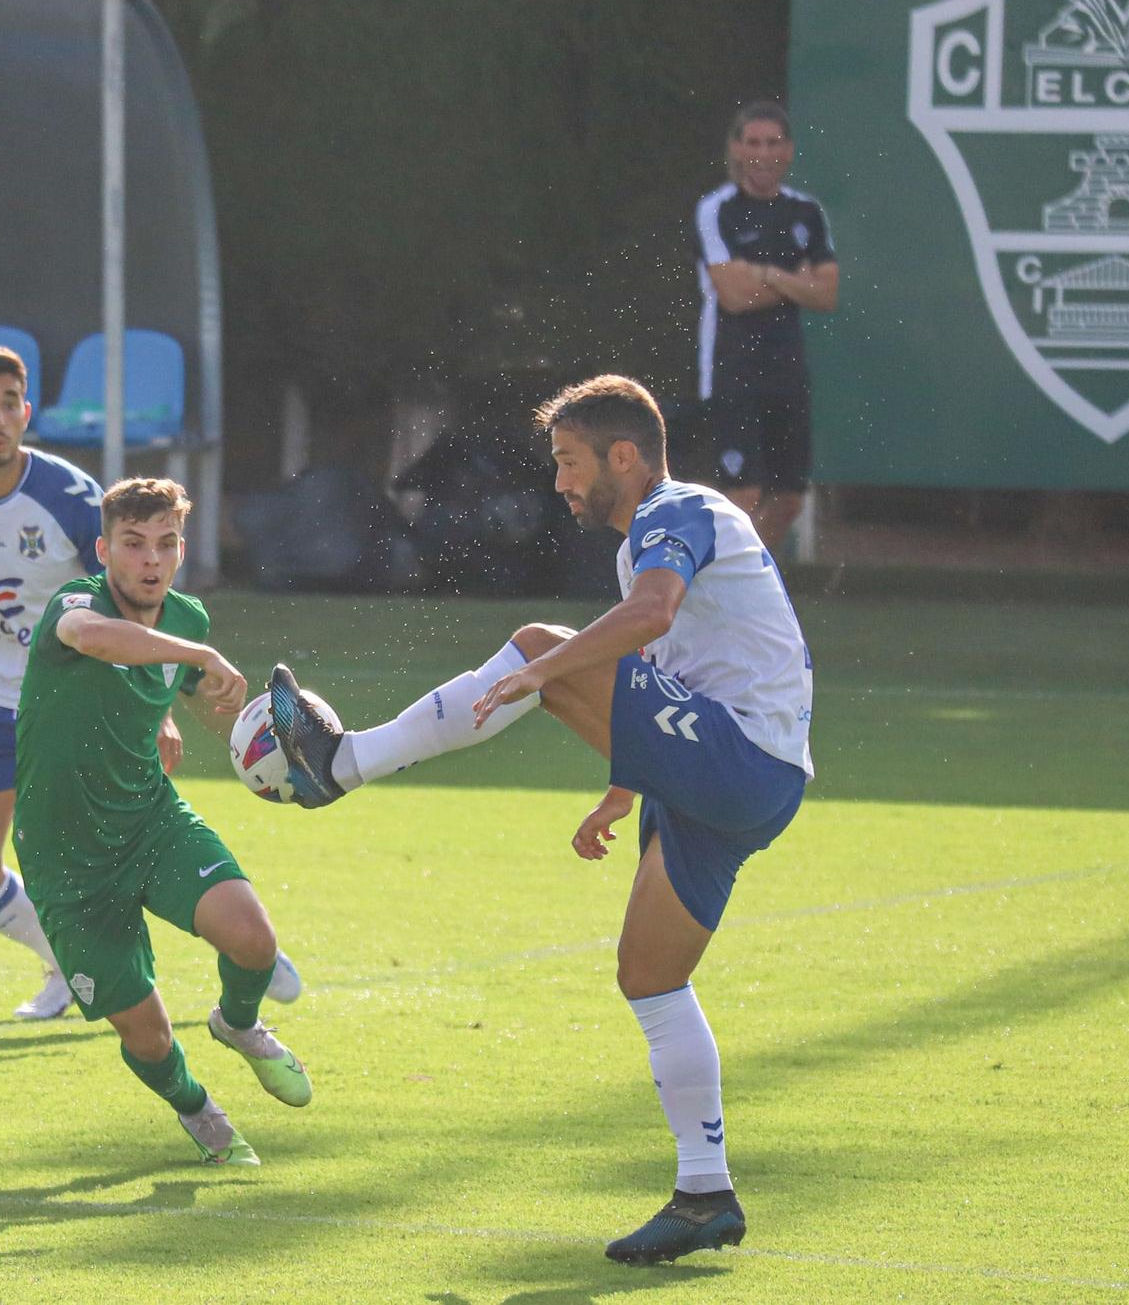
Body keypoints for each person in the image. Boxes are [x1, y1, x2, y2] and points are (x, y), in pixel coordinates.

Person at [270, 375, 812, 1262]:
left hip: (741, 759)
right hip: (731, 776)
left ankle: (342, 763)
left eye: (569, 461)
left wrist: (541, 673)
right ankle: (704, 1190)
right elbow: (671, 661)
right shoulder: (644, 539)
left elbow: (651, 617)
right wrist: (626, 781)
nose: (559, 482)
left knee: (532, 646)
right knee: (650, 977)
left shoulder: (674, 509)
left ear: (623, 458)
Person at [0, 349, 303, 1019]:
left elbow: (134, 597)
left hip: (89, 702)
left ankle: (245, 943)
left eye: (11, 402)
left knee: (122, 849)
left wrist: (159, 704)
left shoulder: (71, 498)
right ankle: (64, 963)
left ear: (27, 412)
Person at [13, 477, 311, 1165]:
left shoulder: (187, 619)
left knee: (254, 941)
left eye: (167, 543)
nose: (151, 559)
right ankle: (195, 1106)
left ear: (182, 549)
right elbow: (95, 640)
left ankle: (238, 1024)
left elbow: (204, 703)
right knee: (145, 1033)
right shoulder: (76, 602)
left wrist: (294, 754)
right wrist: (197, 658)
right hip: (66, 856)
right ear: (104, 548)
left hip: (149, 820)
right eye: (134, 543)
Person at [693, 101, 838, 550]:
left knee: (789, 498)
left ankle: (752, 584)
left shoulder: (806, 212)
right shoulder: (716, 209)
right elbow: (733, 296)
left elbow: (827, 294)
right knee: (743, 495)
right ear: (736, 149)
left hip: (786, 369)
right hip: (732, 369)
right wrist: (798, 280)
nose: (763, 154)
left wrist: (769, 274)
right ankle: (724, 592)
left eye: (773, 143)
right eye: (753, 143)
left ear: (789, 150)